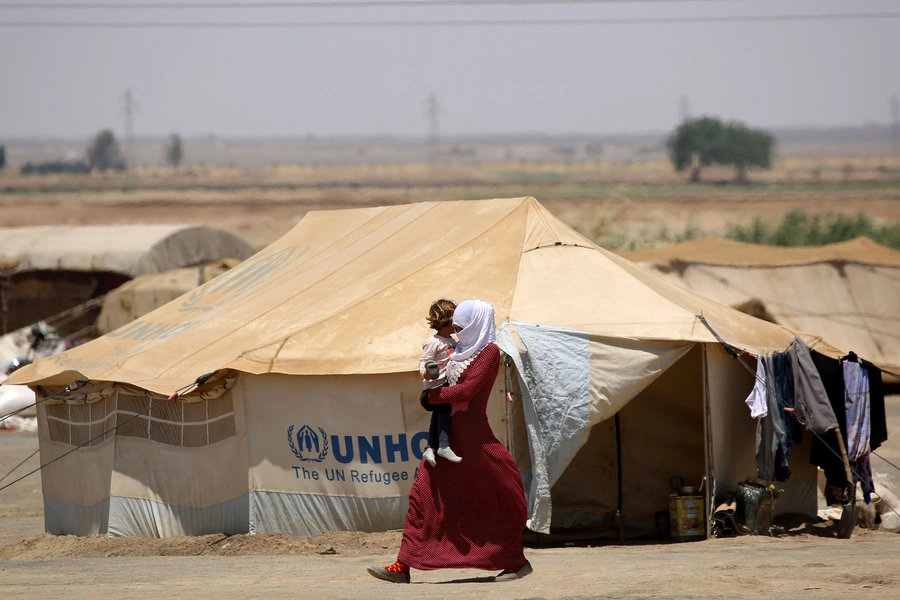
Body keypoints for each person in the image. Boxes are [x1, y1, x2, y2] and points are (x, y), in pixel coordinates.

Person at [367, 299, 532, 584]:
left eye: (460, 323)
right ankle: (404, 564)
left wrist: (432, 398)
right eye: (454, 323)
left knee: (498, 495)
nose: (455, 327)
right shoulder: (457, 350)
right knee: (424, 495)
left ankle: (514, 560)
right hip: (446, 434)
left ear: (475, 323)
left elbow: (468, 390)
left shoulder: (490, 352)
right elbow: (440, 376)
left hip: (473, 438)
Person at [419, 299, 462, 466]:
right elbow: (424, 361)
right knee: (444, 410)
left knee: (438, 415)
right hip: (436, 385)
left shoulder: (452, 341)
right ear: (447, 319)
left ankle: (430, 447)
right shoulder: (433, 342)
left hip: (447, 382)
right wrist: (428, 372)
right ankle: (444, 445)